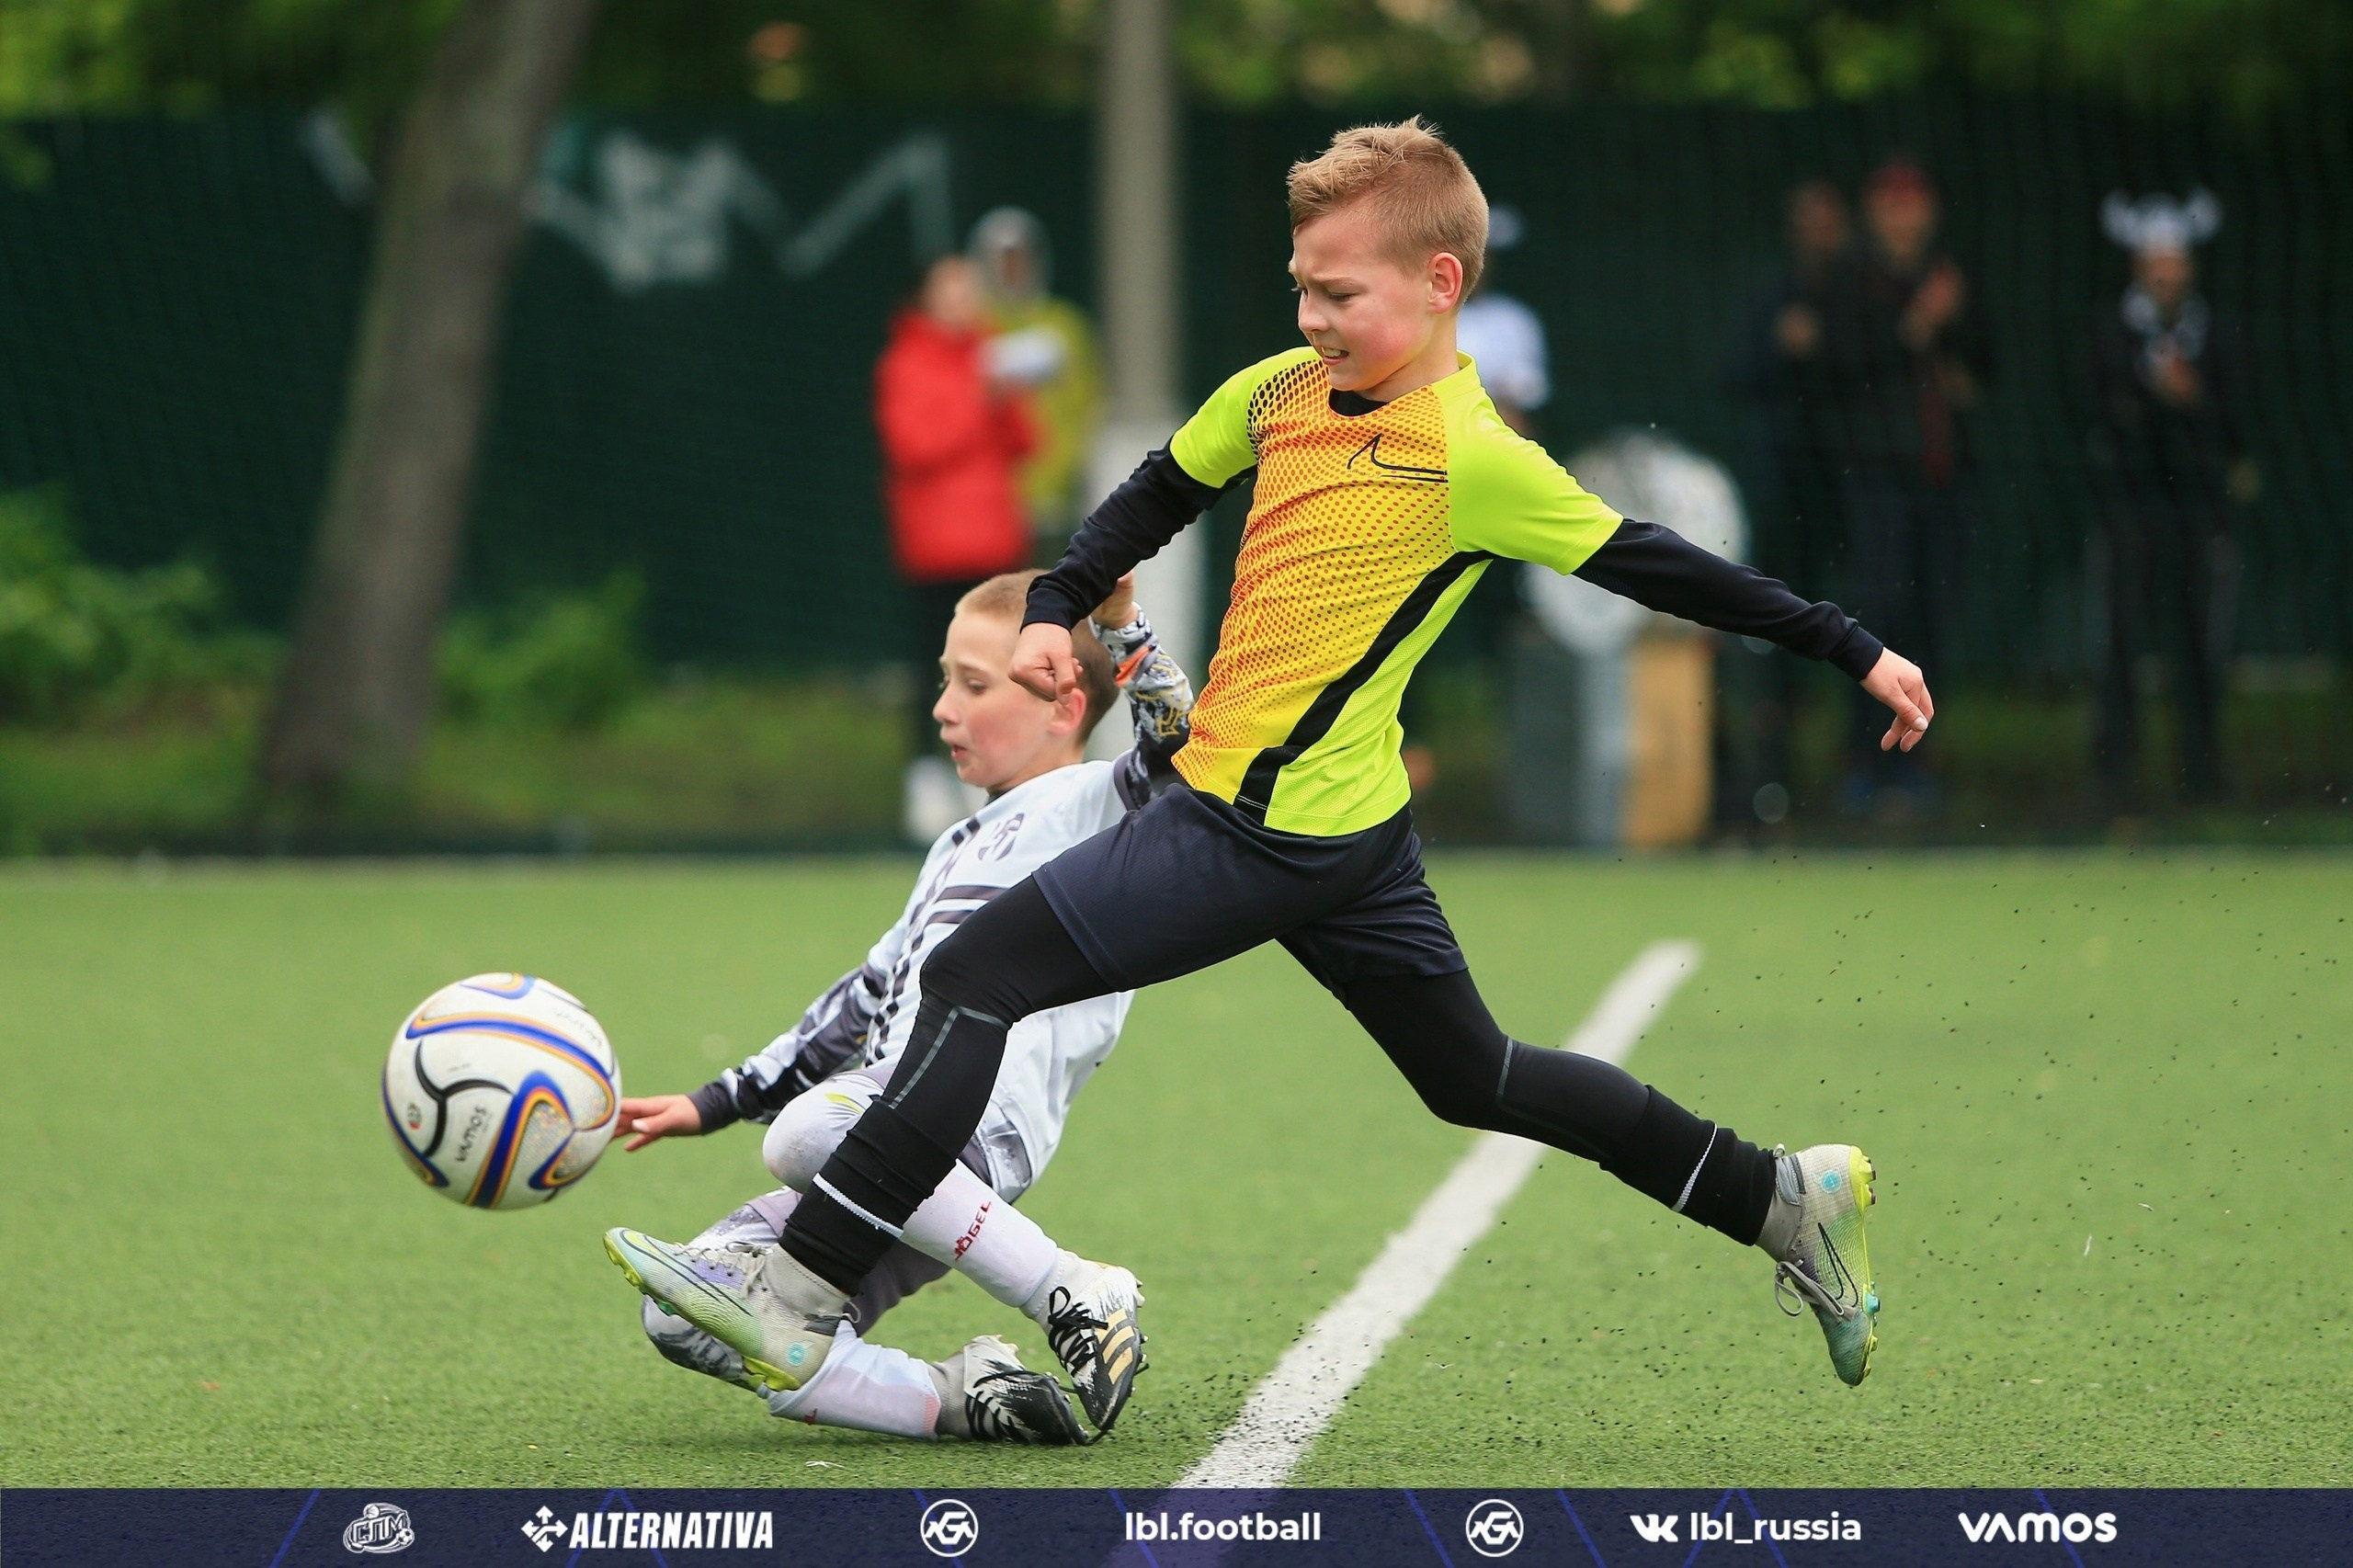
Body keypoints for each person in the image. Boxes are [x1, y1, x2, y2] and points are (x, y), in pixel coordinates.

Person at [618, 119, 1935, 1431]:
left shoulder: (1470, 457)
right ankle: (1779, 1194)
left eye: (1340, 292)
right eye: (1300, 285)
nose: (1309, 315)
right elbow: (1155, 490)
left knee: (976, 974)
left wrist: (1848, 643)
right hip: (1348, 829)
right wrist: (1059, 598)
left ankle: (798, 1288)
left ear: (1440, 287)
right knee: (1474, 1075)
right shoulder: (1278, 395)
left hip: (1257, 833)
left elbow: (1656, 559)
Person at [606, 570, 1191, 1444]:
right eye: (944, 679)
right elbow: (859, 1002)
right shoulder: (956, 845)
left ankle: (1069, 1286)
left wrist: (1123, 627)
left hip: (970, 1121)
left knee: (811, 1130)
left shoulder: (1098, 805)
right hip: (897, 1155)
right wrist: (712, 1101)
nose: (943, 708)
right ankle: (972, 1396)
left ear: (1064, 701)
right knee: (688, 1311)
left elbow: (1189, 747)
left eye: (973, 684)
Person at [1817, 158, 1988, 811]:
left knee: (1931, 617)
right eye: (1891, 202)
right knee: (1875, 613)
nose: (1903, 215)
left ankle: (1918, 762)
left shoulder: (1951, 277)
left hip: (1942, 478)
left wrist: (1946, 334)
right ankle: (1864, 758)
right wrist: (1916, 327)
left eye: (1913, 202)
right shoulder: (1853, 281)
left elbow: (1982, 362)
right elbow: (1842, 364)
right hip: (1874, 478)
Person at [2088, 190, 2254, 809]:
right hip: (2130, 508)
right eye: (2154, 263)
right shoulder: (2110, 331)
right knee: (2121, 636)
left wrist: (2191, 400)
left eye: (2174, 263)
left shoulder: (2218, 333)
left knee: (2198, 640)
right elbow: (2100, 409)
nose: (2165, 275)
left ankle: (2202, 771)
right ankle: (2114, 775)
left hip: (2198, 508)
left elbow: (2235, 417)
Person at [876, 253, 1040, 841]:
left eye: (969, 289)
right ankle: (927, 780)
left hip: (995, 542)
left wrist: (1009, 392)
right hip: (935, 549)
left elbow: (1026, 442)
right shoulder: (907, 362)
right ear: (926, 297)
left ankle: (994, 777)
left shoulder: (990, 353)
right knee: (936, 668)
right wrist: (980, 393)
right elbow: (913, 444)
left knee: (1000, 666)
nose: (965, 299)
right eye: (951, 289)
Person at [970, 208, 1105, 550]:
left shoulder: (1066, 325)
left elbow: (1086, 404)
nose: (1012, 270)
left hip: (1053, 501)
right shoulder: (971, 328)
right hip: (989, 506)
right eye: (1002, 260)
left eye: (1020, 259)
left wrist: (1063, 473)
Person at [1454, 204, 1549, 437]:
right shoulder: (1418, 316)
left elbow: (1525, 395)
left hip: (1489, 436)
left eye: (1485, 257)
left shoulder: (1513, 319)